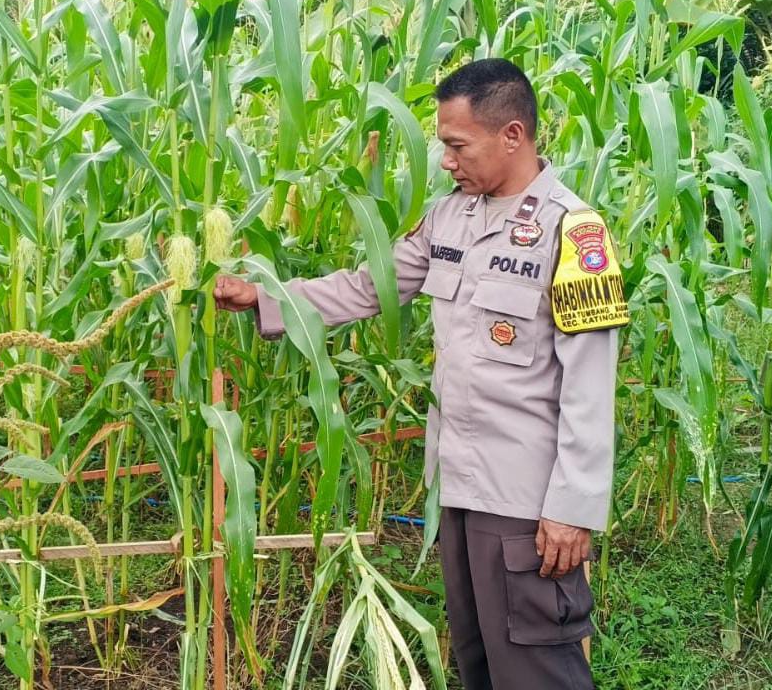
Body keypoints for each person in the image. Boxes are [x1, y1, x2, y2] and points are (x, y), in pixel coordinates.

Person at [213, 58, 628, 689]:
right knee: (479, 661)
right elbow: (369, 286)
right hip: (456, 485)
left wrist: (572, 509)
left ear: (512, 135)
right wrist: (266, 298)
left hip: (524, 501)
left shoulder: (573, 234)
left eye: (458, 145)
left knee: (536, 668)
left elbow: (591, 385)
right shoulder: (449, 217)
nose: (445, 161)